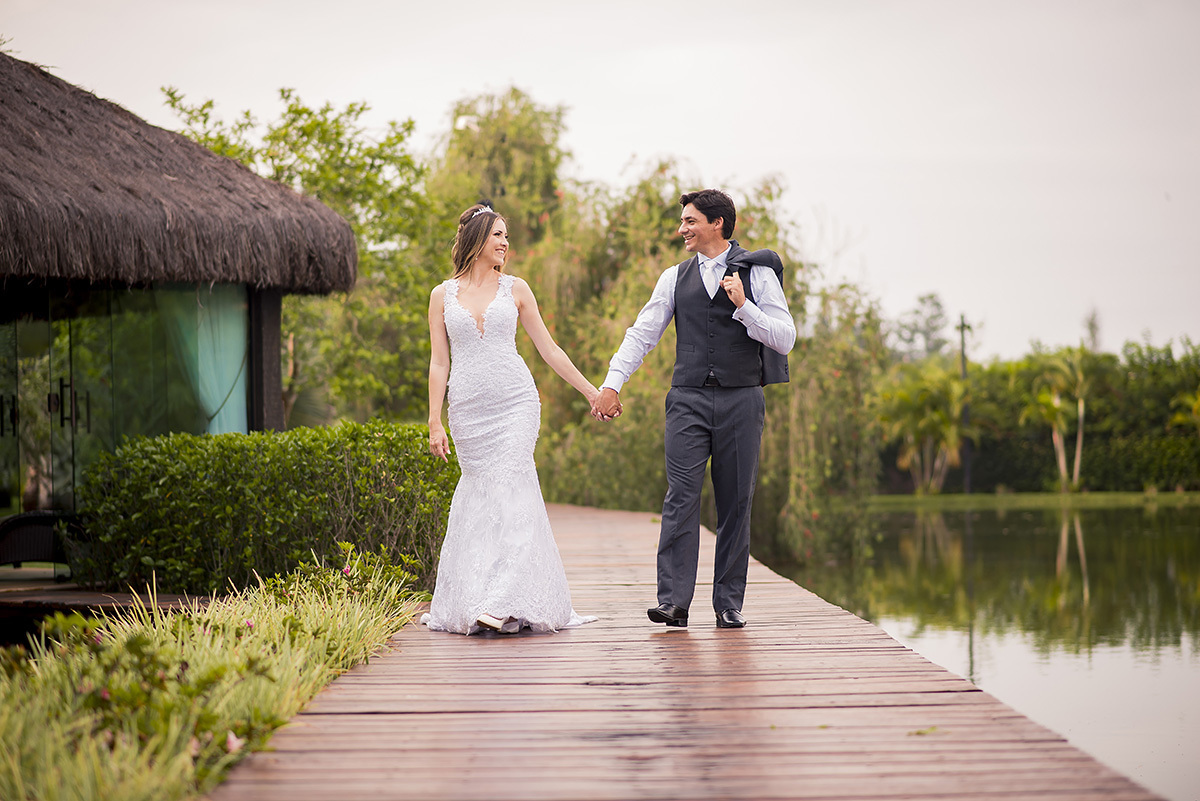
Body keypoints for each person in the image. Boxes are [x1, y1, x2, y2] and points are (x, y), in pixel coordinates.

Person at [592, 189, 796, 629]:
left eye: (689, 221)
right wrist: (612, 383)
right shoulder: (673, 277)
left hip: (742, 399)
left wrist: (744, 307)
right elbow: (642, 333)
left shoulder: (757, 273)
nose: (681, 229)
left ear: (717, 223)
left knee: (735, 502)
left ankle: (728, 604)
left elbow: (785, 337)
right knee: (680, 496)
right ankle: (673, 602)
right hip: (686, 399)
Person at [423, 203, 598, 635]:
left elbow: (550, 350)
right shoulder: (441, 296)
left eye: (506, 236)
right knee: (483, 500)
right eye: (498, 234)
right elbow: (439, 363)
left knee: (511, 491)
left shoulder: (517, 289)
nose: (505, 243)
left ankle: (501, 602)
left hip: (516, 404)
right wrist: (434, 420)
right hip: (468, 412)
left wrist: (592, 392)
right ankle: (487, 599)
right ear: (477, 239)